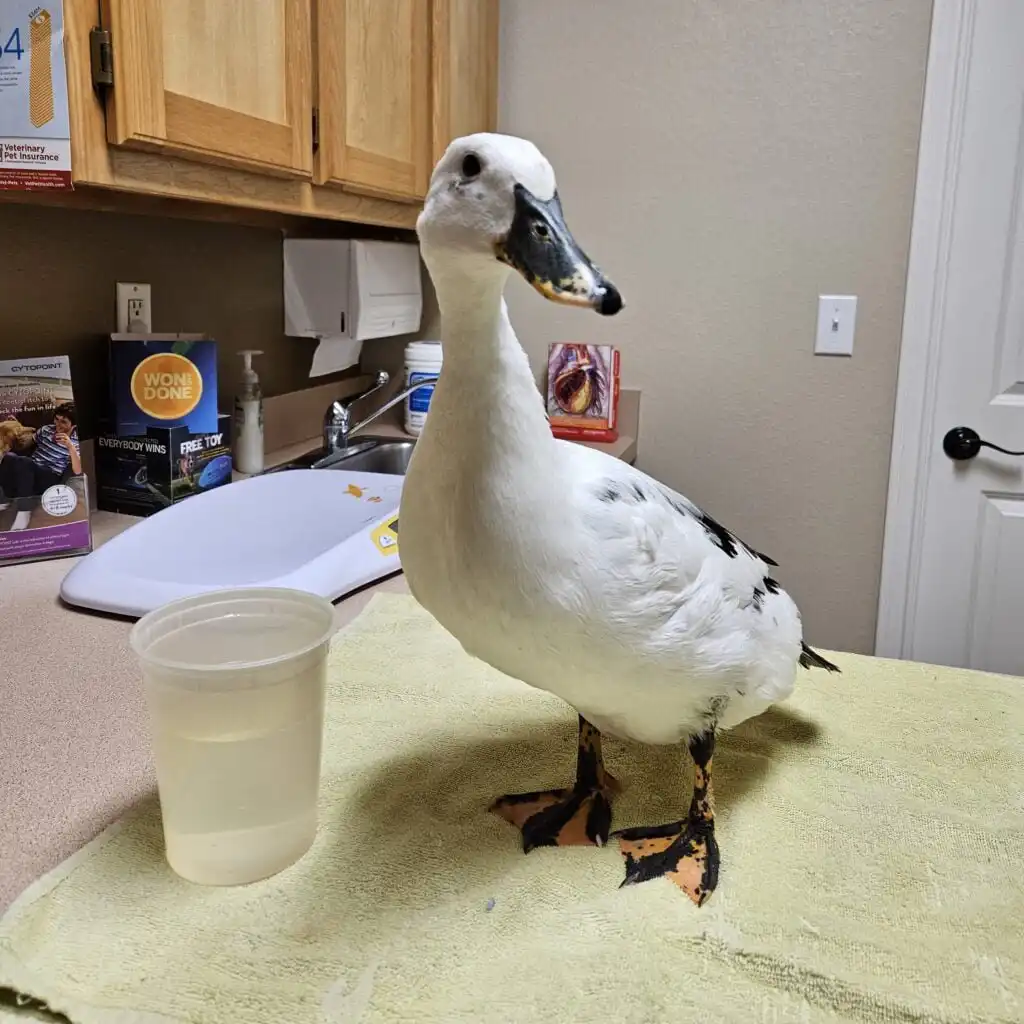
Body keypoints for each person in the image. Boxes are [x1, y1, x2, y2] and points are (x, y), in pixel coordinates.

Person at [0, 403, 82, 532]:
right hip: (28, 472)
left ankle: (24, 511)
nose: (58, 425)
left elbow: (77, 470)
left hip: (49, 477)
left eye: (63, 422)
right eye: (56, 419)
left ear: (74, 425)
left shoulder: (76, 441)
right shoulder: (46, 430)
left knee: (25, 463)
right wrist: (18, 428)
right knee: (9, 457)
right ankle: (6, 499)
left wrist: (70, 446)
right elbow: (25, 444)